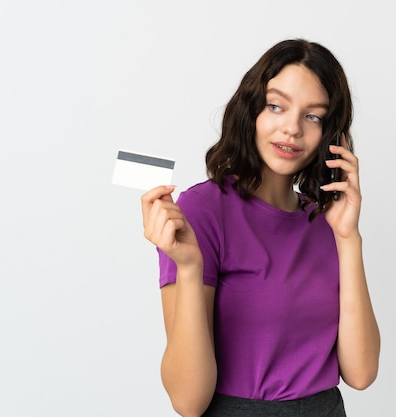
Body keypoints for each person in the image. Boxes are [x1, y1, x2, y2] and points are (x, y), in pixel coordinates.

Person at [141, 38, 380, 417]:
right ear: (251, 110)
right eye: (276, 106)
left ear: (332, 137)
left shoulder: (326, 223)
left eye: (313, 116)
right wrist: (189, 268)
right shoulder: (203, 210)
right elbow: (188, 401)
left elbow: (362, 373)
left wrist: (349, 239)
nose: (292, 128)